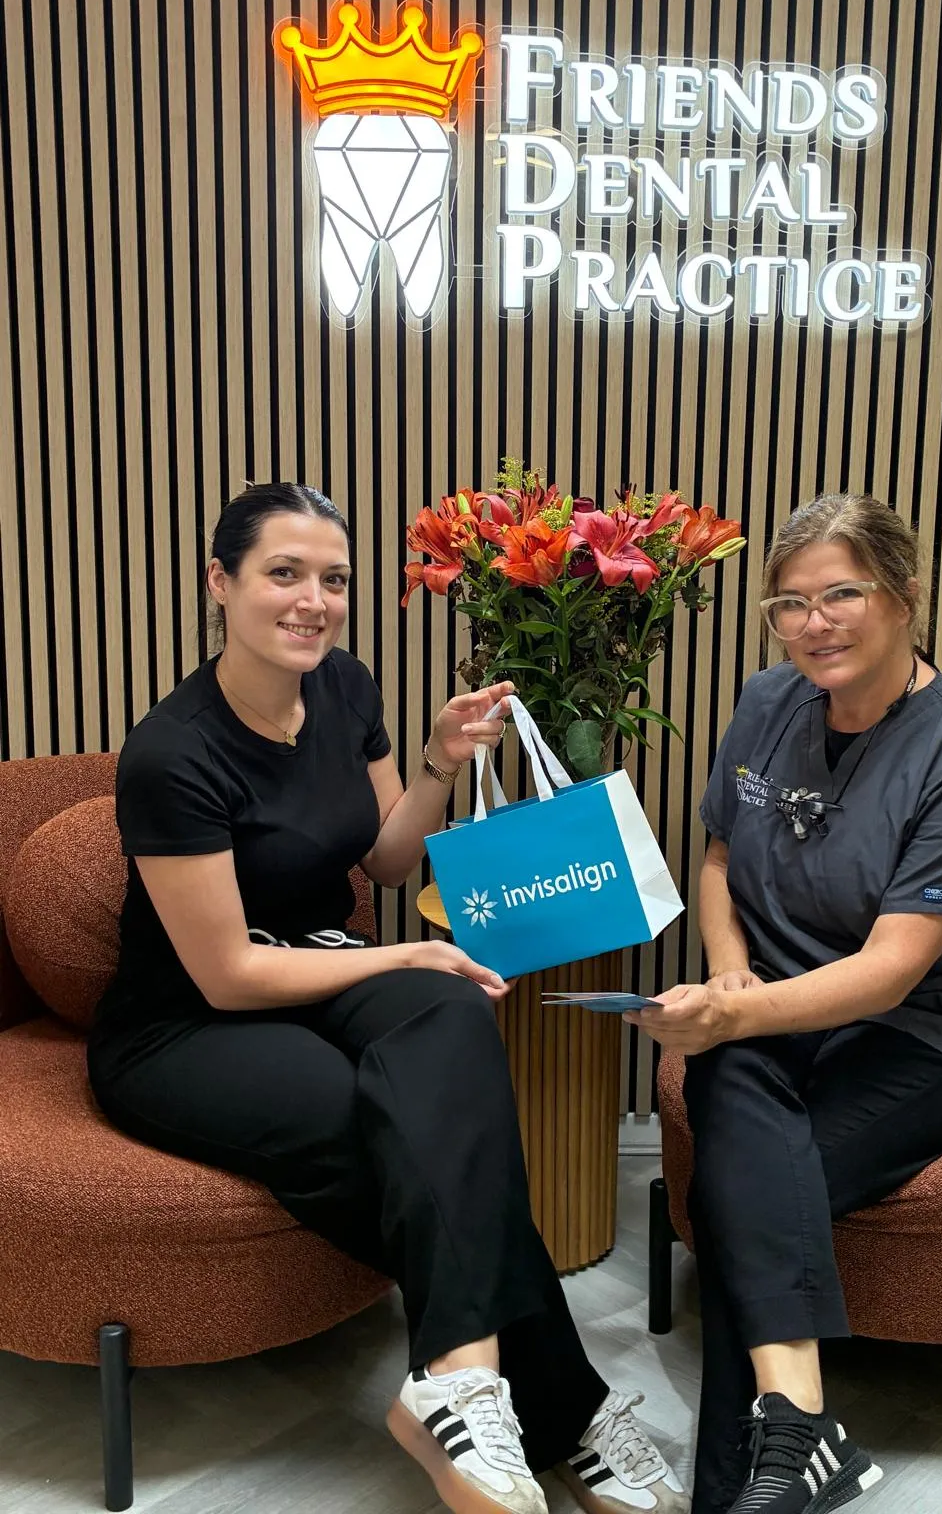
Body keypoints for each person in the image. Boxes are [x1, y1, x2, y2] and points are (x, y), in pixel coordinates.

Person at [87, 482, 687, 1514]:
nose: (313, 599)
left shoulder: (345, 687)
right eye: (284, 573)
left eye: (334, 578)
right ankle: (567, 1407)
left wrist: (436, 762)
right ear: (220, 584)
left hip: (316, 964)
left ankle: (454, 1380)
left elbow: (391, 859)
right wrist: (402, 959)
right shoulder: (171, 753)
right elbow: (229, 971)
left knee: (449, 1013)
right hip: (185, 1023)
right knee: (375, 1110)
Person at [628, 492, 942, 1514]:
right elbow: (719, 855)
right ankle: (801, 1431)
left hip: (924, 1033)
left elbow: (894, 969)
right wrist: (728, 970)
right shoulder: (769, 701)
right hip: (780, 1005)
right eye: (789, 603)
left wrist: (732, 1016)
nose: (814, 623)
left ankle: (741, 1490)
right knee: (740, 1123)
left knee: (742, 1187)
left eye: (840, 593)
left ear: (904, 595)